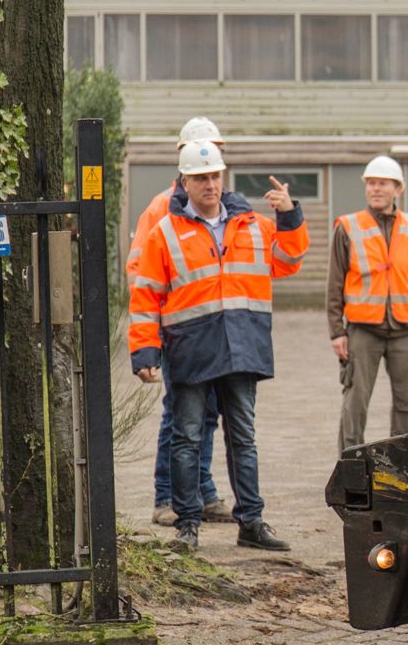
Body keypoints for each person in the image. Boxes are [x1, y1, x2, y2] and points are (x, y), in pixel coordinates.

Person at [129, 140, 308, 552]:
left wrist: (289, 214)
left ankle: (251, 522)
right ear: (185, 182)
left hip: (241, 347)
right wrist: (144, 351)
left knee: (243, 438)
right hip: (190, 349)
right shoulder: (165, 234)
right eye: (201, 178)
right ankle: (187, 524)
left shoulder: (253, 225)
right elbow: (145, 297)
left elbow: (289, 261)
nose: (210, 184)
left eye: (214, 176)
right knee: (187, 438)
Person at [127, 116, 228, 527]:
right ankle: (165, 497)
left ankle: (201, 491)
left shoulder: (222, 206)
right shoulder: (160, 209)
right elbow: (140, 274)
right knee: (179, 416)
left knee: (207, 415)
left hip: (216, 332)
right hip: (179, 332)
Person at [329, 155, 408, 453]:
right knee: (355, 401)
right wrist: (337, 332)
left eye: (382, 183)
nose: (375, 189)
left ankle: (403, 465)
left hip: (407, 329)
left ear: (399, 189)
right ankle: (351, 462)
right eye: (371, 183)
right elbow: (335, 282)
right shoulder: (347, 227)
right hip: (363, 330)